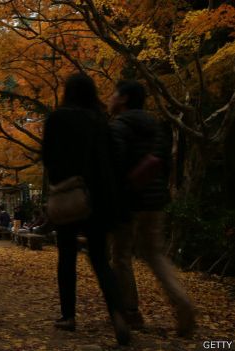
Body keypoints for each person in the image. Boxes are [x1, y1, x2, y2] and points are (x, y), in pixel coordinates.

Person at [42, 73, 130, 345]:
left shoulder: (57, 118)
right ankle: (118, 314)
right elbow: (113, 160)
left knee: (66, 257)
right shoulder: (100, 120)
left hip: (70, 195)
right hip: (99, 198)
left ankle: (68, 316)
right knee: (101, 260)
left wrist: (57, 184)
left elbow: (47, 157)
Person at [108, 80, 195, 335]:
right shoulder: (156, 127)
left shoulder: (120, 126)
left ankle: (130, 312)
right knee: (155, 255)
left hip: (128, 202)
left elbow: (115, 164)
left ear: (123, 99)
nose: (110, 98)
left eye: (114, 94)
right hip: (156, 200)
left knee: (120, 256)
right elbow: (166, 162)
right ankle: (183, 303)